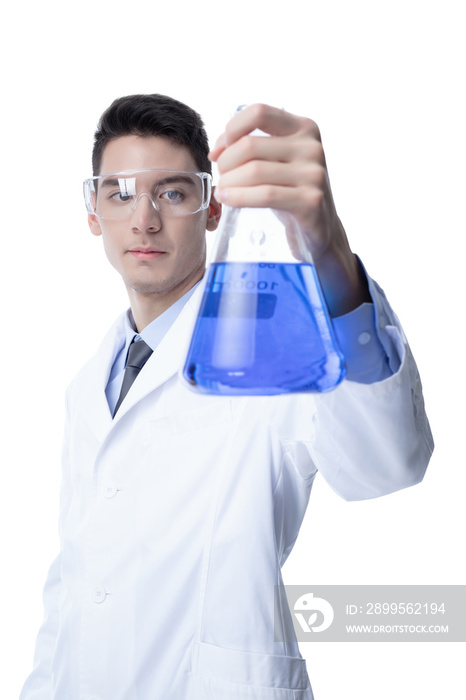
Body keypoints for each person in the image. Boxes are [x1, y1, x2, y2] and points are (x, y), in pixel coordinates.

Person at [20, 94, 433, 700]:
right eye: (121, 193)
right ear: (92, 212)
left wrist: (330, 255)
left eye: (173, 192)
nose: (144, 220)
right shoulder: (88, 383)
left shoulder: (266, 344)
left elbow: (387, 464)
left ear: (213, 208)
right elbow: (74, 583)